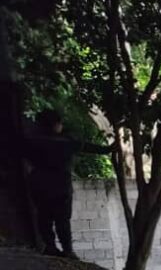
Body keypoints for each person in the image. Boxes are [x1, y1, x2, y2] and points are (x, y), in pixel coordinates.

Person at [21, 109, 110, 259]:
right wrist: (110, 149)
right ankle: (67, 250)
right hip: (60, 185)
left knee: (44, 217)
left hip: (39, 183)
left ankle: (50, 246)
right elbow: (90, 147)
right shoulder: (66, 143)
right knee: (62, 219)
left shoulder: (32, 142)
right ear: (56, 125)